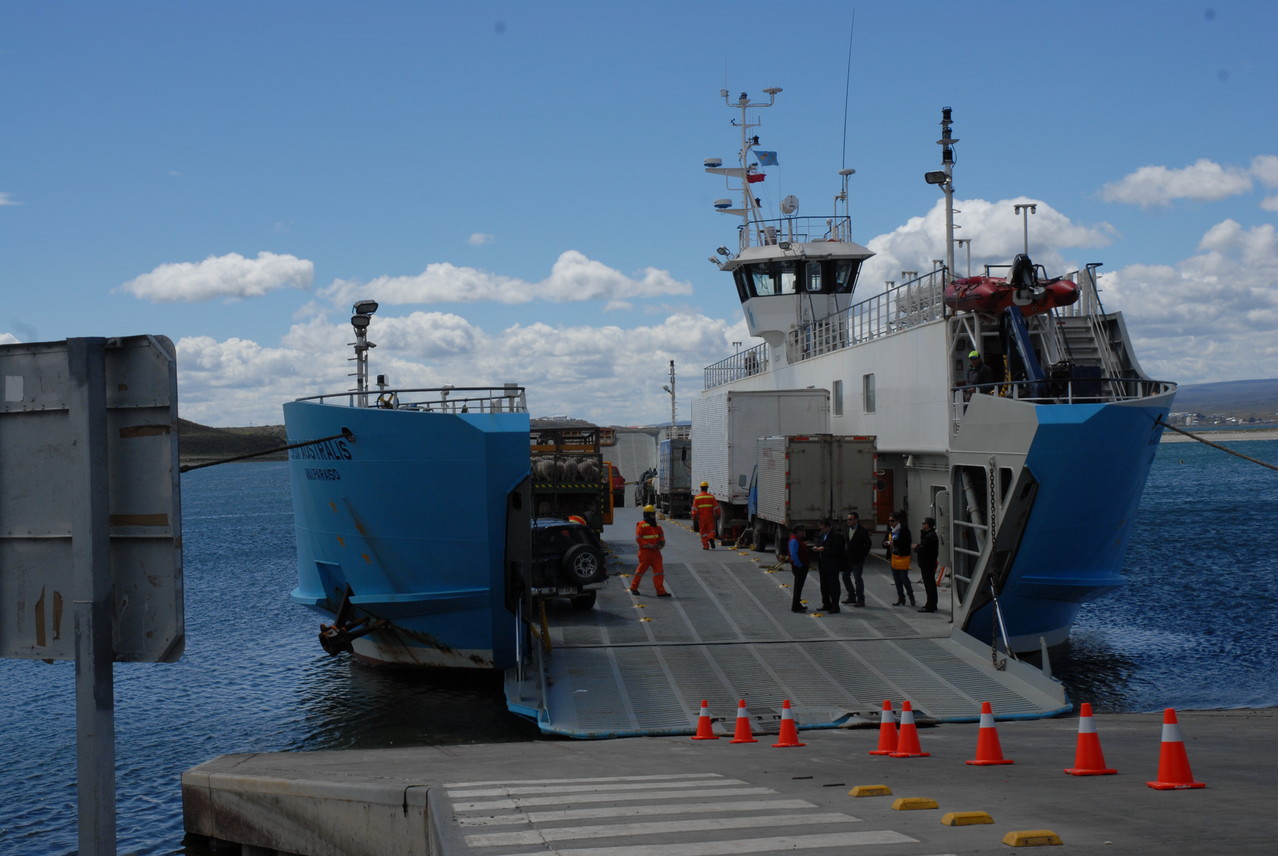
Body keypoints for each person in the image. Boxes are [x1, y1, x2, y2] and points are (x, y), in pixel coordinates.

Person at [631, 505, 671, 597]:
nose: (654, 516)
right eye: (652, 514)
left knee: (659, 572)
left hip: (656, 552)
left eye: (654, 514)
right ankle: (634, 587)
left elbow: (661, 537)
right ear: (647, 515)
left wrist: (661, 544)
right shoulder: (641, 525)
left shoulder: (657, 526)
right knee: (640, 571)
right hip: (645, 552)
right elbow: (638, 538)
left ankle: (660, 591)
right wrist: (648, 545)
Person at [883, 511, 915, 606]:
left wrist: (895, 543)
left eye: (892, 521)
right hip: (893, 557)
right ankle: (901, 597)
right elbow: (885, 540)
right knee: (896, 579)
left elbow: (906, 542)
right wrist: (885, 543)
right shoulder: (890, 530)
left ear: (898, 521)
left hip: (903, 556)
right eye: (889, 521)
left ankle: (911, 595)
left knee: (904, 578)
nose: (890, 523)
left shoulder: (904, 530)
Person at [813, 518, 845, 613]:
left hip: (832, 565)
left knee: (833, 587)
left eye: (823, 528)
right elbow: (819, 544)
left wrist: (824, 549)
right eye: (820, 529)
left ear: (828, 527)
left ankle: (835, 606)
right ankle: (826, 604)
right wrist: (816, 548)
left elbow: (838, 550)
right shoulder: (822, 535)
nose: (821, 530)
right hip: (823, 564)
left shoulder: (836, 536)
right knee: (824, 586)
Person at [842, 511, 871, 607]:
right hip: (847, 558)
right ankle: (851, 596)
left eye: (850, 519)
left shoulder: (862, 531)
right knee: (845, 576)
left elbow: (868, 544)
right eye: (848, 519)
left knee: (857, 578)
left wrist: (863, 555)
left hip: (857, 559)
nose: (848, 521)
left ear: (856, 520)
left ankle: (860, 599)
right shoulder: (846, 529)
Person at [914, 516, 939, 613]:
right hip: (927, 563)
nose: (922, 525)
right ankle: (932, 604)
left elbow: (924, 549)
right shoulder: (928, 535)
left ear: (928, 525)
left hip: (927, 563)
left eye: (924, 523)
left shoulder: (930, 536)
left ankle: (930, 605)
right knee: (930, 584)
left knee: (929, 585)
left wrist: (916, 548)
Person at [787, 525, 812, 613]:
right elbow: (794, 554)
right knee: (798, 587)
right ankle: (795, 606)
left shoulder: (797, 539)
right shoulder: (794, 540)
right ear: (798, 531)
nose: (804, 533)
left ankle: (797, 604)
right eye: (802, 531)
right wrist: (799, 565)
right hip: (799, 568)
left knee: (799, 587)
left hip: (800, 567)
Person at [692, 481, 720, 550]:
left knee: (703, 532)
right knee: (711, 530)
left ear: (701, 488)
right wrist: (718, 515)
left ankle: (706, 546)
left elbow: (694, 509)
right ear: (707, 488)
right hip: (710, 517)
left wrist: (694, 517)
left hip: (701, 518)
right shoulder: (711, 497)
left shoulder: (697, 497)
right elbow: (717, 507)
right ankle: (711, 538)